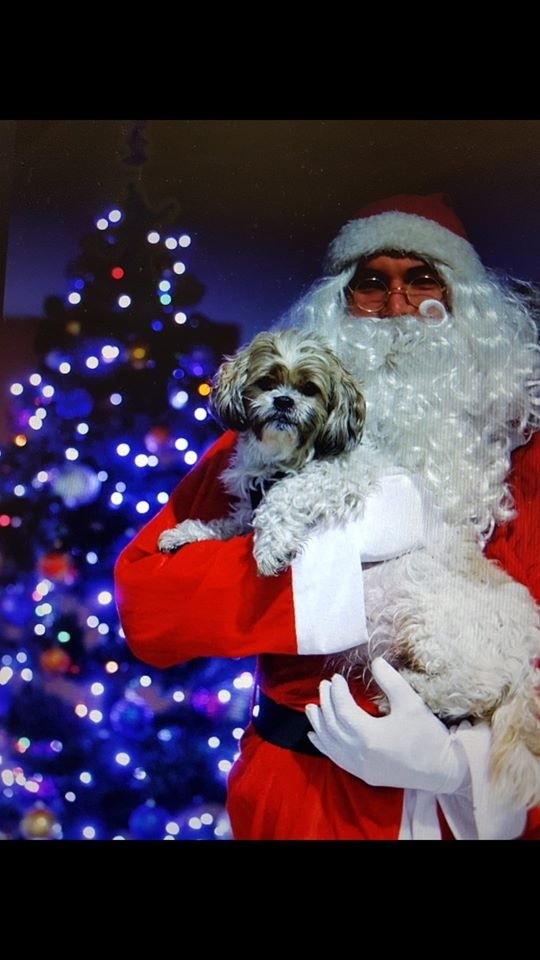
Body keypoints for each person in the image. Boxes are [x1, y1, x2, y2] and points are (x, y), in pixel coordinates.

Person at [114, 193, 540, 840]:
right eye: (372, 283)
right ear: (338, 305)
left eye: (424, 278)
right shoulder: (267, 440)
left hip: (475, 815)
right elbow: (149, 603)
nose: (398, 305)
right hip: (300, 797)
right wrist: (332, 567)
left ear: (467, 305)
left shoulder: (526, 454)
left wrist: (457, 765)